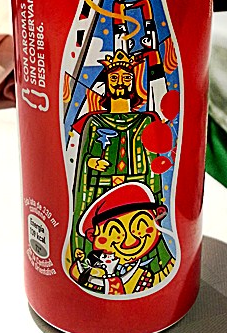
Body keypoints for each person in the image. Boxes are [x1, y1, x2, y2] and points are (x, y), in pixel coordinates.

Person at [69, 49, 164, 258]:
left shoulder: (145, 120)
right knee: (110, 232)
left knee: (138, 229)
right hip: (101, 189)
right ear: (107, 83)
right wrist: (91, 162)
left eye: (126, 78)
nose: (120, 83)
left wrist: (155, 194)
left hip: (138, 190)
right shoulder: (94, 122)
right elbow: (83, 158)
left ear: (133, 83)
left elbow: (153, 162)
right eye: (114, 78)